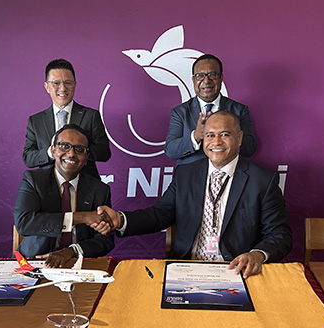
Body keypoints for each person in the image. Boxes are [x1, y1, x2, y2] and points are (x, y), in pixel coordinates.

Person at [95, 111, 291, 277]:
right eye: (210, 135)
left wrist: (257, 255)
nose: (216, 142)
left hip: (236, 270)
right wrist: (121, 220)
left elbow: (279, 234)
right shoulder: (185, 173)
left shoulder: (263, 180)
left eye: (224, 134)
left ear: (239, 138)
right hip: (186, 268)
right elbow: (160, 214)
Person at [14, 124, 114, 267]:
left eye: (79, 149)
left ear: (86, 158)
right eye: (64, 146)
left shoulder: (99, 190)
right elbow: (24, 223)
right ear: (53, 151)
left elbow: (105, 240)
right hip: (33, 261)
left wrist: (72, 251)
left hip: (78, 264)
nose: (71, 154)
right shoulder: (33, 180)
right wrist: (82, 217)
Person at [23, 58, 111, 179]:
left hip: (85, 184)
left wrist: (78, 150)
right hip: (46, 185)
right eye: (56, 83)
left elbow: (104, 153)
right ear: (47, 86)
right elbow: (28, 158)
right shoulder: (36, 121)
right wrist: (51, 152)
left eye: (68, 82)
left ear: (75, 85)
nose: (63, 88)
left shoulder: (91, 116)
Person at [165, 53, 257, 165]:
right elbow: (170, 151)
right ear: (193, 80)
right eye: (200, 75)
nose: (206, 81)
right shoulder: (180, 112)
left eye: (212, 74)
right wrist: (196, 136)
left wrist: (228, 135)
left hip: (229, 174)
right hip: (191, 174)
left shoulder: (239, 110)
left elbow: (249, 148)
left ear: (221, 78)